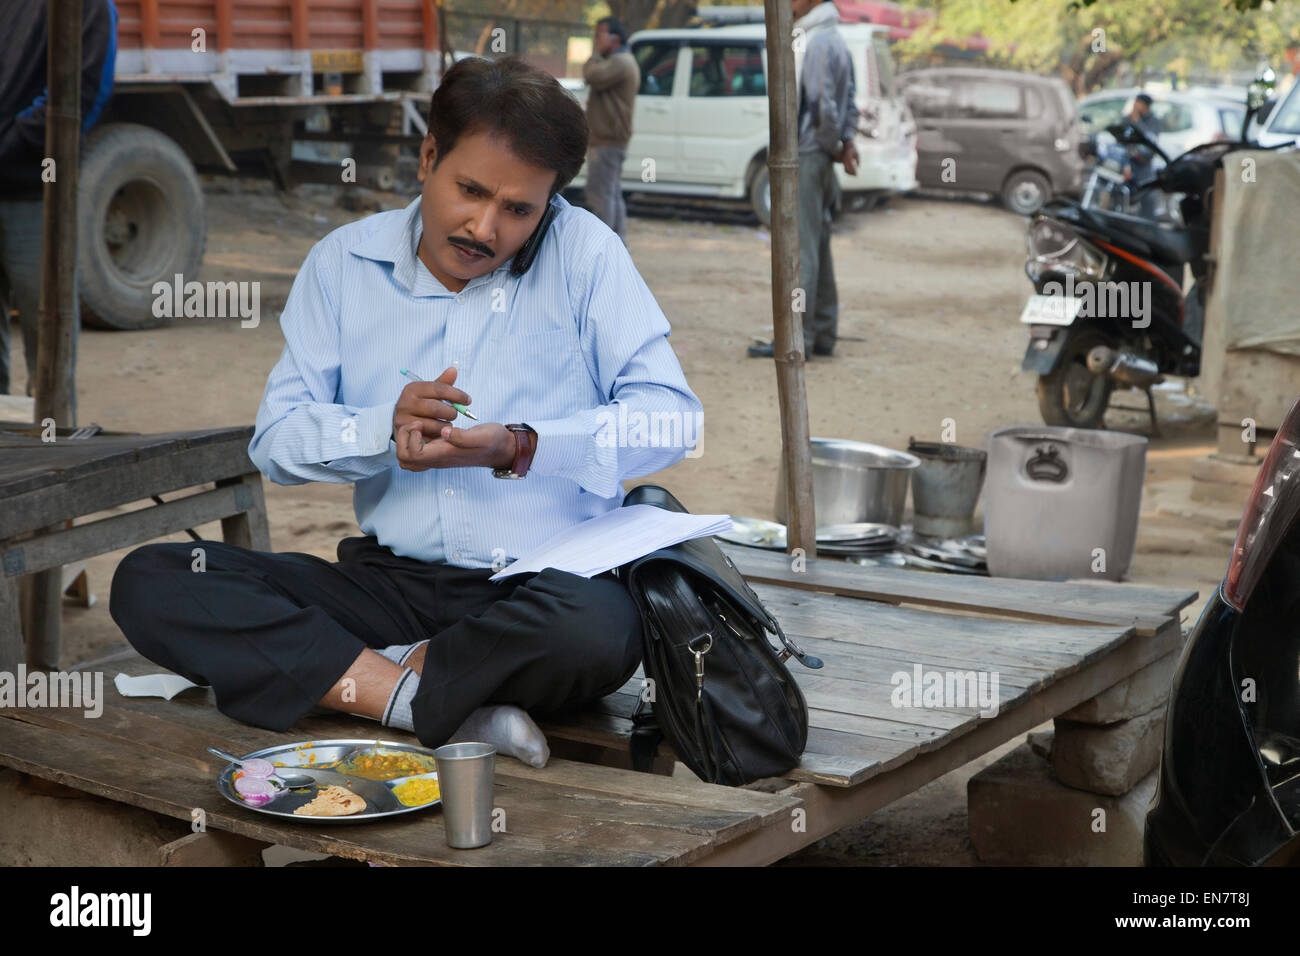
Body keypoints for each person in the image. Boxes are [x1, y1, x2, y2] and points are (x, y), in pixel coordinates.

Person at [109, 56, 702, 767]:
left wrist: (517, 446)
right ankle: (419, 698)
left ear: (550, 202)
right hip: (387, 584)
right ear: (428, 157)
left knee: (601, 630)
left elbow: (670, 418)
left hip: (539, 589)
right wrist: (379, 431)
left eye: (520, 209)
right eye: (471, 190)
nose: (485, 227)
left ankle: (361, 674)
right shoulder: (342, 264)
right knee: (155, 581)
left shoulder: (586, 256)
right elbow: (276, 440)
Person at [0, 0, 118, 402]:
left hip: (38, 194)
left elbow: (80, 94)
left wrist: (11, 145)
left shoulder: (87, 6)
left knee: (48, 340)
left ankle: (53, 450)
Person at [749, 0, 858, 361]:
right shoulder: (832, 38)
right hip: (820, 155)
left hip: (810, 155)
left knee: (801, 253)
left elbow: (823, 106)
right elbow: (849, 101)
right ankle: (823, 333)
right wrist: (844, 144)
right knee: (818, 247)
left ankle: (800, 339)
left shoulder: (819, 42)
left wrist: (826, 146)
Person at [582, 16, 639, 243]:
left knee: (600, 195)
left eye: (599, 35)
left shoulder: (619, 62)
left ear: (614, 37)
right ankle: (617, 243)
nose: (596, 40)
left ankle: (603, 246)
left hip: (607, 140)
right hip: (610, 140)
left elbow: (591, 75)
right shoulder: (622, 60)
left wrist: (595, 54)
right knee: (612, 193)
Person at [1124, 93, 1163, 217]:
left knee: (1147, 195)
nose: (1135, 106)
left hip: (1144, 163)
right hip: (1128, 161)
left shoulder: (1154, 121)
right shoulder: (1129, 118)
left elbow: (1150, 140)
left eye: (1138, 103)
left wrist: (1137, 122)